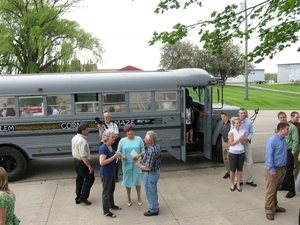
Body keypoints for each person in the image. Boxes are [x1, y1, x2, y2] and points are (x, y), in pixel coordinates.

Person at [264, 122, 289, 221]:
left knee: (275, 189)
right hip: (274, 170)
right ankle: (269, 210)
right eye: (287, 129)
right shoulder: (272, 141)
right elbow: (269, 157)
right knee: (271, 190)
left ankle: (275, 205)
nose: (288, 130)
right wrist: (272, 170)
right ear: (281, 129)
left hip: (282, 169)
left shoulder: (283, 140)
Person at [117, 124, 145, 206]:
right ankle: (128, 197)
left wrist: (138, 156)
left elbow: (143, 151)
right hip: (126, 164)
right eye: (128, 131)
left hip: (137, 163)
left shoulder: (139, 139)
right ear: (126, 132)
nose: (130, 132)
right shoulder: (122, 141)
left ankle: (139, 197)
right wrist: (122, 156)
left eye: (131, 130)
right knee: (127, 181)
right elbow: (118, 152)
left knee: (137, 181)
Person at [135, 131, 161, 216]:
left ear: (150, 141)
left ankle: (153, 210)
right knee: (153, 190)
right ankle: (155, 205)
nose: (144, 139)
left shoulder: (151, 150)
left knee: (150, 191)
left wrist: (139, 165)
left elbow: (148, 168)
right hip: (155, 172)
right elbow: (148, 160)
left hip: (150, 174)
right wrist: (139, 158)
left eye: (145, 138)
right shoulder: (156, 146)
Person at [99, 129, 122, 218]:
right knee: (106, 192)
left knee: (111, 190)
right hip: (106, 174)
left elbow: (113, 153)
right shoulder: (103, 148)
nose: (114, 138)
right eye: (112, 137)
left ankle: (111, 205)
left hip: (111, 172)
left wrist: (119, 154)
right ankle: (106, 211)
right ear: (106, 138)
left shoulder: (110, 146)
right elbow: (102, 162)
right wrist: (114, 157)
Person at [71, 122, 95, 205]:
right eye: (87, 129)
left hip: (76, 161)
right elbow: (83, 156)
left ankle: (78, 196)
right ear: (82, 131)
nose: (88, 130)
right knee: (90, 178)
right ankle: (83, 197)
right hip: (82, 162)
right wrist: (89, 166)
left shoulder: (75, 138)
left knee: (80, 178)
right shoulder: (82, 141)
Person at [276, 111, 299, 198]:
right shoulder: (277, 127)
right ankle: (284, 185)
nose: (282, 119)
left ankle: (291, 190)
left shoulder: (292, 127)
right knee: (282, 169)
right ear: (278, 118)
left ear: (286, 117)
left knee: (289, 171)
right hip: (280, 151)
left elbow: (295, 141)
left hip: (288, 151)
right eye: (280, 117)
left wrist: (293, 152)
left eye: (283, 117)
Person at [233, 108, 256, 187]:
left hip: (246, 144)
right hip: (237, 145)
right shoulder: (235, 122)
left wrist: (247, 139)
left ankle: (249, 179)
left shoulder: (249, 122)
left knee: (249, 161)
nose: (242, 114)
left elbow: (251, 132)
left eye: (244, 113)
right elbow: (232, 132)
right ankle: (239, 180)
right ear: (238, 114)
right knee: (238, 163)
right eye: (241, 113)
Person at [97, 112, 120, 182]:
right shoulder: (102, 126)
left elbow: (117, 136)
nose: (106, 118)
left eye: (107, 117)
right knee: (104, 158)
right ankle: (104, 174)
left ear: (110, 117)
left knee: (115, 160)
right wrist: (100, 129)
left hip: (112, 143)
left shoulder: (114, 125)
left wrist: (110, 136)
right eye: (104, 117)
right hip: (105, 143)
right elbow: (101, 137)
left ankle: (115, 176)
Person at [228, 117, 247, 192]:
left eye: (239, 123)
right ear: (234, 124)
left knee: (240, 169)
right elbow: (230, 143)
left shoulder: (243, 131)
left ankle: (238, 184)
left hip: (241, 152)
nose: (238, 124)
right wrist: (238, 139)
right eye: (237, 123)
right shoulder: (231, 132)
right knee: (233, 169)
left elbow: (244, 143)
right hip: (233, 153)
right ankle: (232, 184)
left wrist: (242, 140)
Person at [289, 111, 300, 180]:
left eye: (298, 117)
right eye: (296, 117)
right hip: (290, 146)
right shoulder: (288, 125)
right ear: (292, 117)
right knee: (289, 165)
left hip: (298, 146)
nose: (298, 119)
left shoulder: (299, 125)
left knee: (297, 165)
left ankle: (296, 180)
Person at [220, 112, 231, 179]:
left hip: (229, 143)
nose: (223, 118)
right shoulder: (222, 125)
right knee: (225, 158)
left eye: (224, 116)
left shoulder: (231, 125)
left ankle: (232, 172)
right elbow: (221, 134)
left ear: (227, 116)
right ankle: (228, 171)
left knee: (229, 158)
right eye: (222, 117)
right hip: (224, 143)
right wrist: (222, 142)